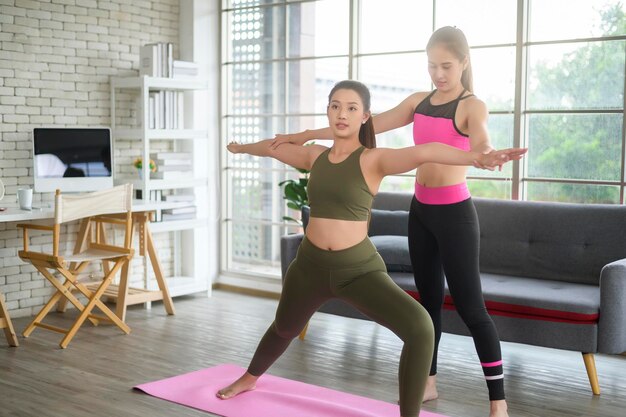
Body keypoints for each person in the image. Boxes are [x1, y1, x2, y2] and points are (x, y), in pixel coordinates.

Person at [218, 79, 526, 417]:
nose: (342, 114)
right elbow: (274, 148)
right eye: (335, 106)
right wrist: (242, 148)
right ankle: (249, 377)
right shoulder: (314, 156)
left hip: (358, 271)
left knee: (421, 328)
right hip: (309, 267)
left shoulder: (374, 160)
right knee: (283, 328)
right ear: (328, 112)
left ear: (365, 117)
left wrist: (474, 158)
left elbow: (426, 152)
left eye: (351, 108)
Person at [271, 26, 512, 417]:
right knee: (428, 301)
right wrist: (304, 135)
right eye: (432, 66)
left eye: (447, 66)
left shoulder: (471, 106)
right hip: (422, 213)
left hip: (455, 217)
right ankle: (428, 383)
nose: (439, 74)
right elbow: (364, 125)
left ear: (464, 63)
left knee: (471, 308)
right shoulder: (419, 101)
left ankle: (498, 401)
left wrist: (486, 153)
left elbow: (481, 139)